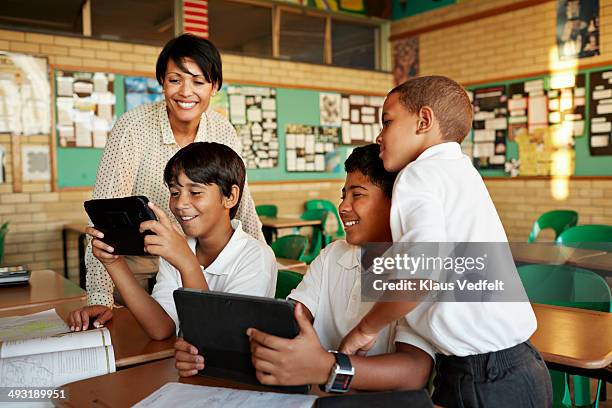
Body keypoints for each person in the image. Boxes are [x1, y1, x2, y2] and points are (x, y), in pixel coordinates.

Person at [339, 77, 552, 407]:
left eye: (388, 121)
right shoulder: (461, 170)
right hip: (524, 366)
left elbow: (420, 275)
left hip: (479, 377)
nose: (379, 136)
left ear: (424, 121)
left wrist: (365, 330)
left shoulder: (417, 174)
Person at [174, 144, 434, 392]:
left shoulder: (421, 270)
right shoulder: (333, 255)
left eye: (358, 195)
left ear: (396, 202)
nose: (343, 207)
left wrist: (329, 368)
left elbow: (414, 372)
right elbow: (288, 323)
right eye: (344, 195)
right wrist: (207, 352)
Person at [73, 34, 264, 327]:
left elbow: (243, 205)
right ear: (162, 81)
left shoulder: (223, 130)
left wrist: (262, 261)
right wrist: (99, 295)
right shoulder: (133, 127)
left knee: (199, 332)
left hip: (194, 259)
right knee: (139, 340)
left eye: (198, 82)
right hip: (135, 260)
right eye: (175, 80)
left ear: (214, 87)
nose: (186, 92)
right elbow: (104, 217)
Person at [68, 142, 276, 339]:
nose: (180, 204)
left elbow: (213, 337)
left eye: (195, 192)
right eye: (175, 192)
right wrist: (114, 263)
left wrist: (186, 262)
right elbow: (161, 328)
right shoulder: (178, 248)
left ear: (230, 196)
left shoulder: (256, 258)